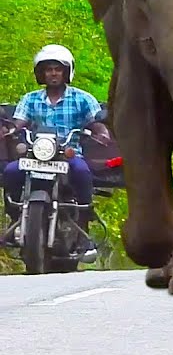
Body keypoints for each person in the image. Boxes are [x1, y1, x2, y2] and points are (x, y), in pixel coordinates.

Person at [2, 44, 109, 255]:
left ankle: (84, 225)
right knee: (11, 171)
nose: (53, 73)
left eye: (57, 69)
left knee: (82, 171)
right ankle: (15, 215)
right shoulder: (30, 99)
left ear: (66, 72)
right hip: (36, 153)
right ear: (41, 73)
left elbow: (96, 122)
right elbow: (19, 121)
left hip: (68, 154)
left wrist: (101, 131)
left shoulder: (82, 98)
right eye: (48, 69)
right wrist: (11, 128)